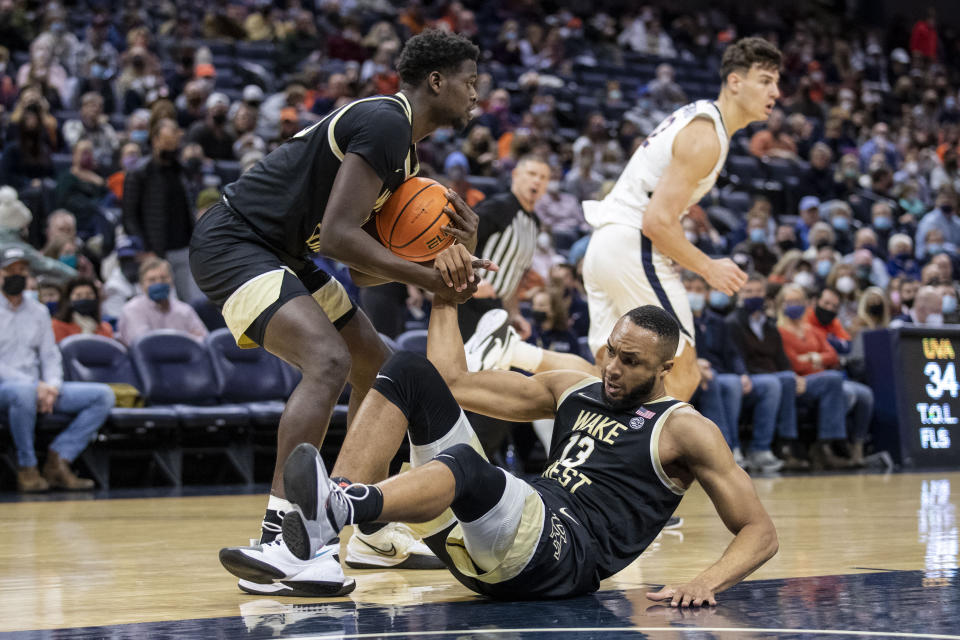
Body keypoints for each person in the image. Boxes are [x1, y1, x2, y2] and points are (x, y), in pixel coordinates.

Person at [190, 30, 488, 596]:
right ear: (436, 81)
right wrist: (429, 277)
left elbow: (369, 270)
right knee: (326, 360)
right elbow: (339, 240)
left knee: (382, 371)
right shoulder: (385, 121)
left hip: (283, 252)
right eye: (470, 83)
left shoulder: (405, 155)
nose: (476, 95)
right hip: (234, 241)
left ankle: (363, 524)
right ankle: (283, 536)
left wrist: (444, 254)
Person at [221, 301, 778, 603]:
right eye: (611, 351)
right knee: (407, 369)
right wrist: (445, 299)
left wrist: (705, 582)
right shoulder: (574, 387)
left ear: (665, 369)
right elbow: (454, 381)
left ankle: (339, 505)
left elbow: (759, 530)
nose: (613, 368)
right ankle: (320, 541)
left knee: (470, 468)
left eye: (631, 362)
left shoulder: (684, 428)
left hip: (565, 554)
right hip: (503, 535)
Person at [580, 37, 781, 401]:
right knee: (681, 372)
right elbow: (656, 222)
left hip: (606, 245)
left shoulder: (699, 116)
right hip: (631, 243)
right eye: (766, 80)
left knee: (609, 374)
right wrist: (708, 267)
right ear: (735, 82)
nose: (776, 91)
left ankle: (600, 454)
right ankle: (643, 458)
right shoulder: (706, 135)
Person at [0, 247, 114, 492]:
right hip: (8, 387)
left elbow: (50, 356)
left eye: (22, 270)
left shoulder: (38, 311)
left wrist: (52, 386)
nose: (17, 275)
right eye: (11, 271)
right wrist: (34, 386)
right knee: (22, 393)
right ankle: (27, 467)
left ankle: (59, 459)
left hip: (40, 388)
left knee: (103, 396)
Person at [122, 117, 202, 303]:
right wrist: (145, 248)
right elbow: (129, 216)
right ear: (155, 140)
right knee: (158, 303)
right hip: (156, 250)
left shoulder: (181, 171)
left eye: (174, 144)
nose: (170, 148)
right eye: (166, 143)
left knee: (189, 302)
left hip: (184, 247)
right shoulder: (139, 173)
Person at [775, 284, 853, 469]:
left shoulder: (812, 330)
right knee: (833, 379)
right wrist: (816, 359)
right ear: (781, 304)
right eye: (790, 301)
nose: (795, 305)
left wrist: (813, 357)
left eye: (798, 301)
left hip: (818, 380)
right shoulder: (779, 331)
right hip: (798, 381)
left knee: (854, 391)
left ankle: (840, 447)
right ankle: (823, 445)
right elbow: (793, 363)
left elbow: (832, 355)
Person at [116, 258, 207, 345]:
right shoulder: (132, 309)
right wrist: (189, 337)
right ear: (141, 284)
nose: (159, 283)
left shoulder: (185, 310)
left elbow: (204, 340)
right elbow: (145, 345)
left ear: (171, 281)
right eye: (152, 280)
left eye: (163, 278)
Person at [51, 277, 113, 342]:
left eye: (89, 295)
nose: (84, 299)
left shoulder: (105, 328)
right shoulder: (57, 325)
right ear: (69, 300)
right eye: (78, 296)